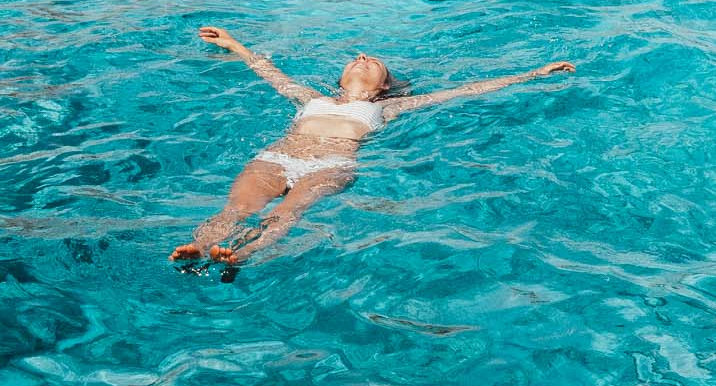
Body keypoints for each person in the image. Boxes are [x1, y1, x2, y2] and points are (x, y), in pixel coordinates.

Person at [170, 28, 575, 275]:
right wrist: (234, 44)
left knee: (286, 212)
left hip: (332, 164)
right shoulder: (308, 97)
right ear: (341, 76)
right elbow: (268, 70)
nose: (362, 58)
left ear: (384, 84)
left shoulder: (389, 106)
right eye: (356, 58)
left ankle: (243, 254)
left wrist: (532, 74)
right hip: (277, 157)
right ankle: (199, 248)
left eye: (372, 60)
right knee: (234, 210)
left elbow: (466, 90)